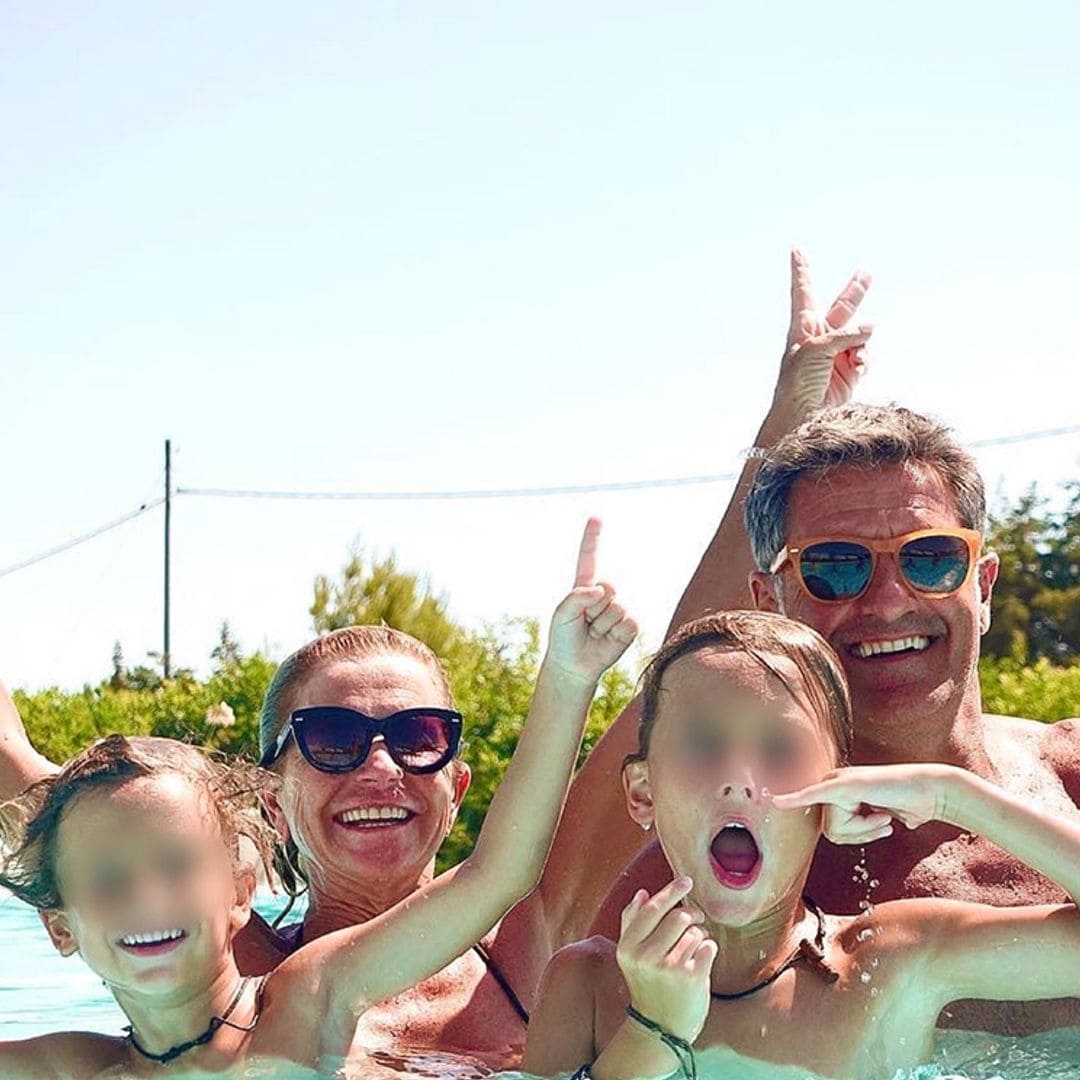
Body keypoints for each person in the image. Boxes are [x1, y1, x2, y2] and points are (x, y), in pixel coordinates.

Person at [587, 253, 1080, 1033]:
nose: (887, 601)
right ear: (768, 601)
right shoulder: (736, 858)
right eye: (834, 566)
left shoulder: (1072, 773)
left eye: (929, 557)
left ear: (981, 584)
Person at [0, 520, 637, 1078]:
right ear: (61, 925)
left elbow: (502, 869)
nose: (380, 766)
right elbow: (51, 805)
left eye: (419, 738)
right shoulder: (111, 1032)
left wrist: (569, 675)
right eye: (333, 739)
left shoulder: (304, 998)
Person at [524, 611, 1080, 1080]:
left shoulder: (891, 962)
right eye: (703, 742)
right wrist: (652, 1032)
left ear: (835, 791)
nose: (737, 776)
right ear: (644, 792)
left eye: (778, 747)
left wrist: (950, 794)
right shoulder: (588, 985)